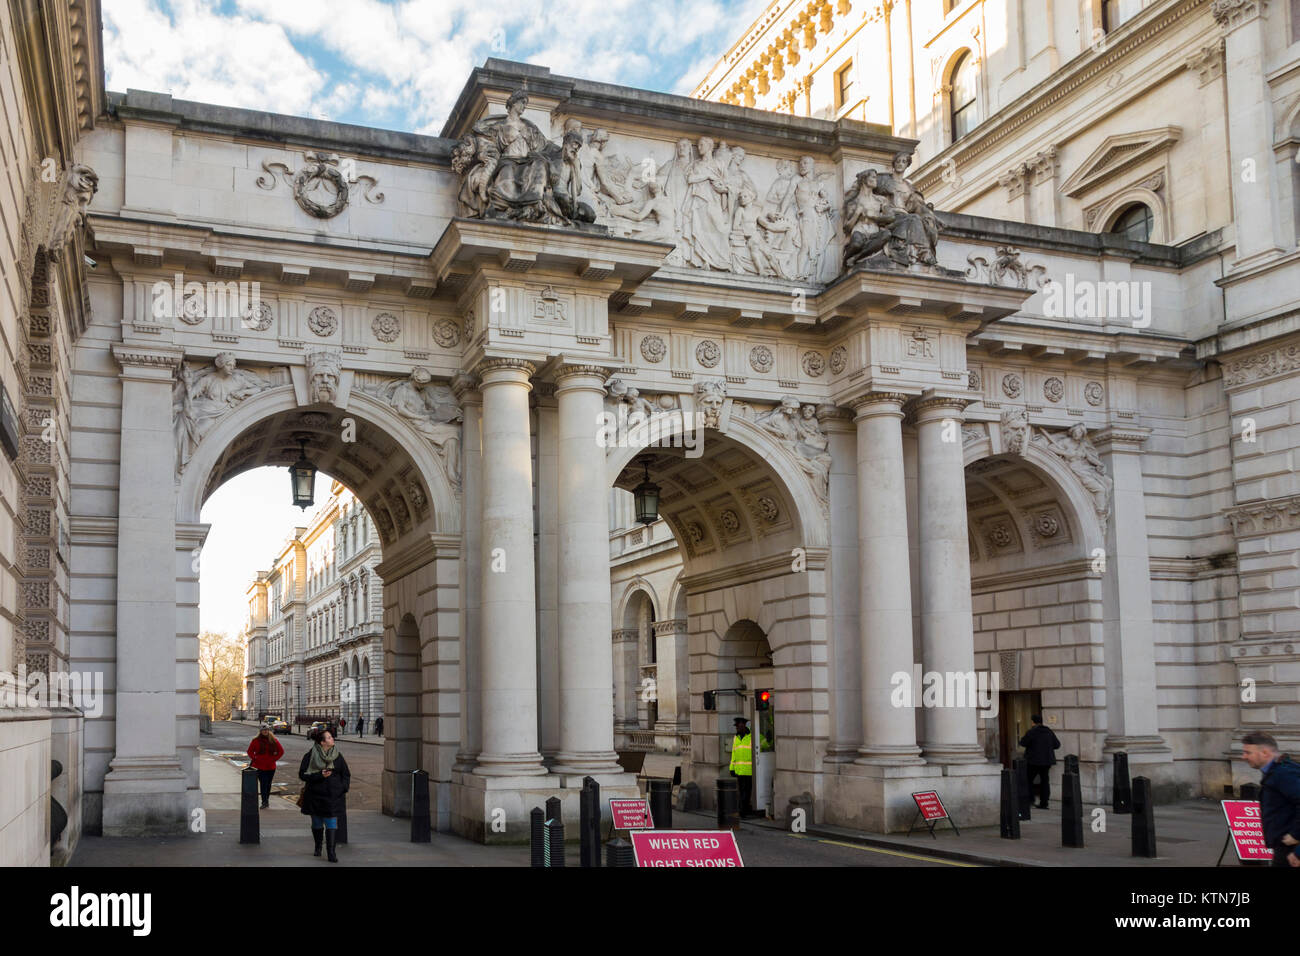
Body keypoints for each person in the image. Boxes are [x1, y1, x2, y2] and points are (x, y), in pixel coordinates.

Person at [1242, 732, 1300, 867]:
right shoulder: (1275, 772)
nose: (1243, 757)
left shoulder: (1283, 773)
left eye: (1248, 752)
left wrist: (1296, 836)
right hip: (1284, 846)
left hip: (1291, 848)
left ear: (1265, 752)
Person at [299, 728, 351, 862]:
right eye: (328, 737)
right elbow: (302, 775)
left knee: (331, 823)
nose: (332, 738)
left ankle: (331, 853)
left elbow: (345, 774)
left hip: (333, 796)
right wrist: (319, 775)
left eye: (331, 737)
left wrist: (342, 788)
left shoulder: (338, 755)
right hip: (315, 796)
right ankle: (317, 846)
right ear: (322, 742)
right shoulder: (310, 756)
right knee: (317, 824)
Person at [1019, 714, 1060, 809]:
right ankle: (1044, 802)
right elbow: (1057, 745)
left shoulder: (1032, 732)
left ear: (1033, 722)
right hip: (1046, 761)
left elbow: (1023, 743)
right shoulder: (1049, 731)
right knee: (1045, 781)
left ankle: (1030, 799)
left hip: (1033, 761)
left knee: (1028, 780)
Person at [246, 721, 284, 809]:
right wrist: (255, 758)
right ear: (260, 731)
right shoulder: (255, 740)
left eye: (267, 730)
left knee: (268, 784)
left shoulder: (274, 740)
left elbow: (281, 751)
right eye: (264, 730)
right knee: (263, 783)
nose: (265, 731)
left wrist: (274, 759)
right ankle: (264, 802)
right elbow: (250, 751)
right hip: (259, 766)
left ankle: (266, 800)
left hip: (271, 766)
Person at [729, 716, 754, 817]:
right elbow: (733, 754)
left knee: (747, 792)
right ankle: (742, 811)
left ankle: (744, 810)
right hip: (739, 771)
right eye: (736, 726)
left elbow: (762, 744)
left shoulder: (751, 737)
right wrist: (731, 768)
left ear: (743, 725)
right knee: (741, 792)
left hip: (749, 771)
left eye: (738, 726)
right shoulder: (736, 738)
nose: (736, 728)